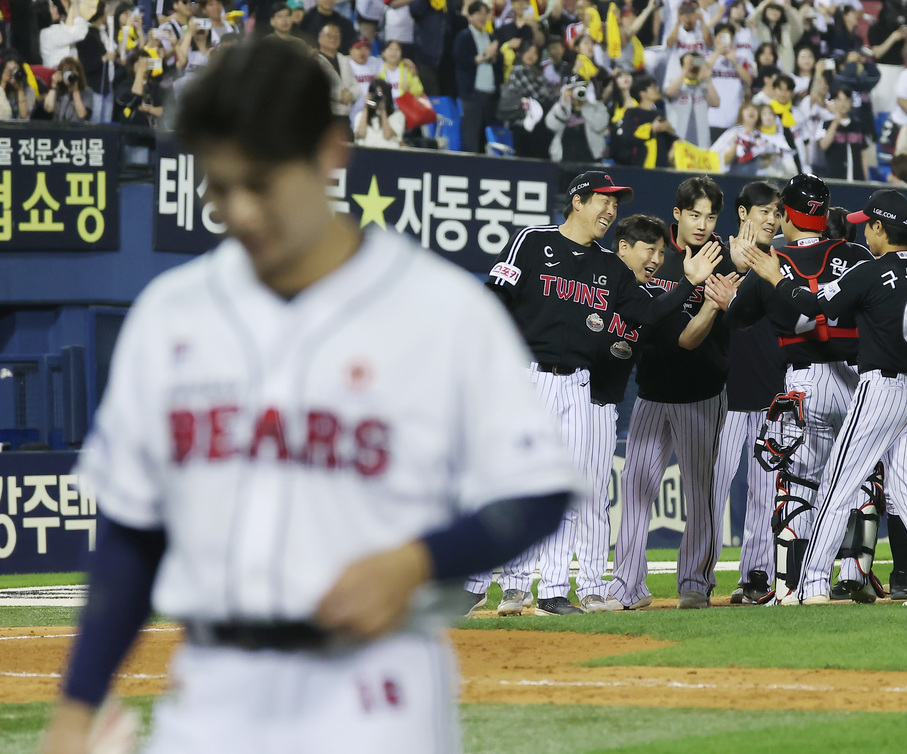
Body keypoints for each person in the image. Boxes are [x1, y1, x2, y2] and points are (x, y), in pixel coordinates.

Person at [39, 36, 580, 754]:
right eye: (218, 186)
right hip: (211, 693)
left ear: (330, 153)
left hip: (375, 694)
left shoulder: (438, 310)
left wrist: (416, 561)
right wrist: (77, 705)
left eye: (259, 184)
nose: (239, 211)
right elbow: (133, 535)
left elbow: (537, 490)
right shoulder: (173, 315)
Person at [470, 171, 723, 615]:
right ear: (577, 202)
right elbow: (494, 296)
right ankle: (480, 584)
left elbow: (648, 312)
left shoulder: (609, 267)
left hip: (582, 385)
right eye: (603, 201)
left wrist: (688, 282)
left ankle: (551, 589)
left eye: (615, 205)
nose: (610, 211)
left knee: (580, 488)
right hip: (530, 377)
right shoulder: (532, 241)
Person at [742, 189, 907, 607]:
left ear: (880, 228)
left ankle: (813, 585)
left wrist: (776, 277)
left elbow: (812, 305)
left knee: (837, 486)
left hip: (880, 389)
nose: (863, 232)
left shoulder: (870, 271)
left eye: (867, 225)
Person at [724, 174, 874, 602]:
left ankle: (793, 588)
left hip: (804, 382)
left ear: (787, 214)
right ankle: (855, 578)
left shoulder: (773, 259)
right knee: (859, 480)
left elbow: (738, 318)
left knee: (799, 484)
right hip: (854, 378)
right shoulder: (858, 255)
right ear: (825, 215)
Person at [609, 177, 739, 611]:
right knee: (636, 489)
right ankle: (627, 587)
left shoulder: (726, 261)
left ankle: (695, 583)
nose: (702, 224)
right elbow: (662, 330)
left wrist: (716, 303)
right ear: (677, 216)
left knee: (700, 495)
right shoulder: (656, 258)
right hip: (651, 392)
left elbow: (699, 339)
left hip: (702, 394)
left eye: (711, 216)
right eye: (695, 214)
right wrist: (705, 303)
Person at [715, 181, 786, 604]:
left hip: (769, 395)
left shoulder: (782, 262)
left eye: (777, 212)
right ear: (742, 214)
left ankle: (755, 577)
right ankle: (696, 580)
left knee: (764, 496)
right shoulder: (717, 258)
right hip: (721, 396)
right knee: (709, 495)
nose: (772, 218)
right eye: (763, 211)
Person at [454, 1, 504, 154]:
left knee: (486, 139)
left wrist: (495, 57)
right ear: (470, 16)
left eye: (485, 13)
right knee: (471, 139)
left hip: (490, 95)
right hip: (472, 95)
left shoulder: (491, 37)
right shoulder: (464, 37)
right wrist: (484, 55)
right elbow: (461, 61)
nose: (483, 17)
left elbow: (498, 63)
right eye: (479, 13)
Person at [614, 73, 675, 167]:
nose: (657, 89)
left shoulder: (660, 114)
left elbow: (671, 140)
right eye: (653, 87)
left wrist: (670, 131)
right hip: (640, 168)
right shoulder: (631, 113)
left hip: (662, 168)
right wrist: (652, 130)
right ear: (643, 93)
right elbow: (628, 139)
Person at [664, 51, 720, 148]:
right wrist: (685, 69)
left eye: (695, 66)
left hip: (701, 142)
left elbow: (716, 103)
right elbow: (670, 92)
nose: (692, 68)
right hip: (678, 141)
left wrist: (707, 79)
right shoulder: (677, 84)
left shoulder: (704, 86)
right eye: (690, 65)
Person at [545, 77, 607, 161]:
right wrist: (564, 103)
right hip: (563, 158)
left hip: (590, 157)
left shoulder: (597, 107)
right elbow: (552, 126)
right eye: (573, 89)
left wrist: (584, 106)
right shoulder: (561, 107)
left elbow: (599, 126)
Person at [820, 86, 866, 182]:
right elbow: (823, 145)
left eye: (846, 100)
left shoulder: (858, 126)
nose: (843, 104)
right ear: (834, 101)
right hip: (834, 179)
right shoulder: (826, 124)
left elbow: (863, 155)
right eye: (839, 99)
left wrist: (866, 180)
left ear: (851, 102)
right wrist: (836, 120)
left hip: (857, 179)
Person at [354, 79, 407, 148]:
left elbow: (387, 135)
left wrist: (383, 110)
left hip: (388, 154)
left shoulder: (397, 116)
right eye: (375, 95)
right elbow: (361, 134)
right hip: (366, 154)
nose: (377, 99)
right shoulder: (360, 115)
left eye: (380, 96)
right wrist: (366, 107)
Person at [44, 57, 94, 123]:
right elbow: (48, 109)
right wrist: (53, 86)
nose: (67, 77)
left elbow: (82, 115)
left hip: (76, 130)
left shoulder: (87, 92)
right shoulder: (58, 89)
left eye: (71, 73)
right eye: (65, 73)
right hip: (57, 129)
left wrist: (75, 91)